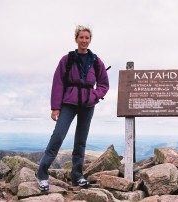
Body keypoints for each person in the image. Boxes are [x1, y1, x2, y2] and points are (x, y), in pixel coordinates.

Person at [37, 25, 109, 191]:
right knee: (58, 136)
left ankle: (77, 176)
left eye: (87, 38)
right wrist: (55, 107)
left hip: (87, 105)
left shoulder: (96, 61)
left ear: (90, 40)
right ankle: (42, 174)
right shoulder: (67, 59)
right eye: (81, 37)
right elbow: (58, 83)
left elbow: (104, 83)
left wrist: (94, 95)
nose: (84, 40)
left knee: (81, 141)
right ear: (76, 39)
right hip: (68, 103)